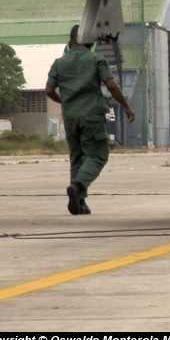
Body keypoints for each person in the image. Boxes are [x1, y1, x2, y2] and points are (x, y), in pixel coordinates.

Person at [46, 25, 135, 215]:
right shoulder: (97, 59)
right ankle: (78, 185)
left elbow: (48, 90)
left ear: (70, 42)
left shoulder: (59, 62)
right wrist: (126, 106)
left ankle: (80, 202)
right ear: (89, 41)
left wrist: (64, 101)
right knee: (97, 156)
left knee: (77, 157)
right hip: (92, 115)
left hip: (70, 117)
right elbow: (110, 85)